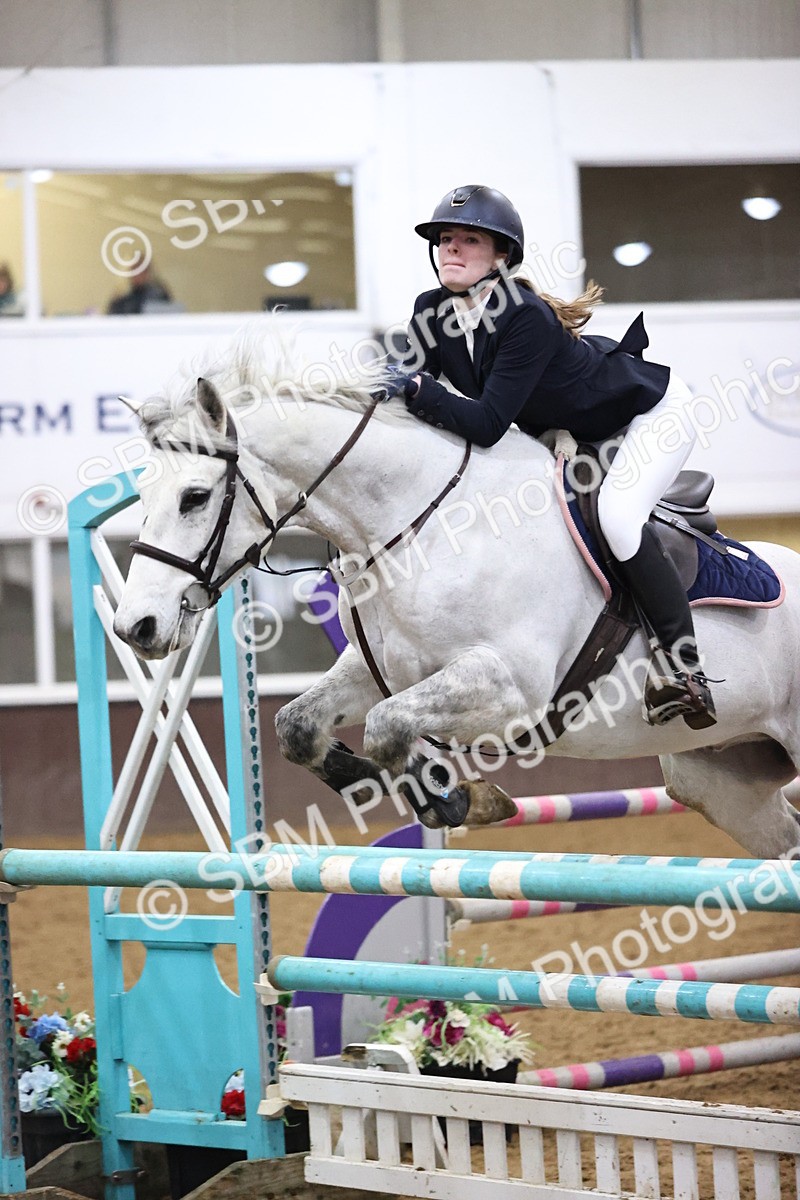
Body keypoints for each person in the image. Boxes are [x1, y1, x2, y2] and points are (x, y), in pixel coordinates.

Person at [391, 184, 716, 730]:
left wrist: (417, 390)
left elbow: (487, 423)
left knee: (617, 518)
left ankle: (685, 669)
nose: (451, 249)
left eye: (469, 240)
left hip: (647, 414)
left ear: (501, 257)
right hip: (570, 429)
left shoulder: (525, 316)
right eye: (445, 239)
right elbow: (407, 385)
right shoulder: (432, 309)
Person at [106, 257, 173, 315]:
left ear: (148, 273)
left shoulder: (159, 295)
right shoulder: (122, 298)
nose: (138, 275)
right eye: (135, 271)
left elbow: (168, 317)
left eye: (142, 271)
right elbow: (112, 318)